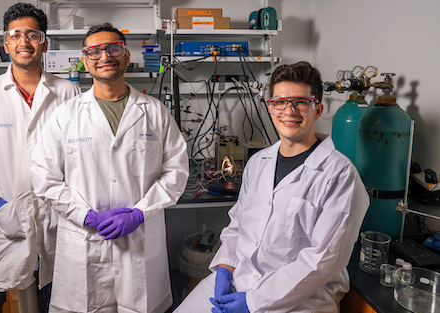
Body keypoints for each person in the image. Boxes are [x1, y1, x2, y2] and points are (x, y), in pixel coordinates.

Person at [175, 61, 370, 313]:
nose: (288, 111)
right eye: (279, 102)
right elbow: (237, 225)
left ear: (318, 109)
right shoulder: (258, 162)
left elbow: (322, 261)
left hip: (301, 299)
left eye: (300, 102)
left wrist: (254, 302)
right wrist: (224, 268)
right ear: (270, 108)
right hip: (239, 279)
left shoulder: (340, 175)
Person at [30, 23, 189, 313]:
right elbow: (44, 177)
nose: (105, 56)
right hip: (84, 243)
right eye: (94, 51)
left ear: (126, 56)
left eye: (113, 48)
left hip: (139, 243)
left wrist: (141, 212)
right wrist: (86, 216)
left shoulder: (155, 112)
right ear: (85, 60)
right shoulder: (65, 116)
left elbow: (176, 173)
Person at [0, 2, 80, 313]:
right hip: (2, 222)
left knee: (59, 303)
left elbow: (79, 157)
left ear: (44, 42)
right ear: (5, 42)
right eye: (16, 35)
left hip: (56, 221)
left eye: (33, 35)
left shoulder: (68, 92)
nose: (24, 42)